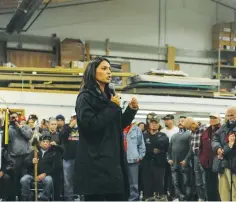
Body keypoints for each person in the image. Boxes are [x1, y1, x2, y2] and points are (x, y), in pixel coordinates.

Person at [74, 57, 139, 201]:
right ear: (93, 72)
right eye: (104, 68)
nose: (109, 72)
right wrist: (112, 106)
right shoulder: (85, 97)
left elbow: (117, 125)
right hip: (95, 163)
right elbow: (89, 125)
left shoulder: (110, 96)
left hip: (113, 161)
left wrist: (130, 111)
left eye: (109, 69)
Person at [20, 134, 62, 201]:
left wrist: (45, 174)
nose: (45, 143)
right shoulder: (35, 151)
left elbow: (55, 167)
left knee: (49, 180)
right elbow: (25, 162)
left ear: (50, 143)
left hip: (46, 175)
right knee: (23, 180)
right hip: (32, 174)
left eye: (47, 141)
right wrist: (31, 161)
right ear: (40, 143)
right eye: (43, 141)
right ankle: (28, 195)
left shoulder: (53, 153)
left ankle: (43, 197)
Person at [142, 115, 169, 201]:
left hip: (159, 163)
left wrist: (160, 151)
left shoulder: (163, 136)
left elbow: (167, 149)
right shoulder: (144, 135)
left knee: (159, 181)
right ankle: (147, 197)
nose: (153, 124)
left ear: (158, 125)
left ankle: (160, 197)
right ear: (149, 124)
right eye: (152, 123)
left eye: (155, 123)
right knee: (147, 182)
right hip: (146, 162)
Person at [212, 107, 236, 201]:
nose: (230, 117)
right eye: (228, 115)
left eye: (232, 115)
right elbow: (215, 139)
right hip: (224, 164)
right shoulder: (224, 127)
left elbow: (232, 145)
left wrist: (224, 150)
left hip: (235, 165)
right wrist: (217, 148)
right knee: (224, 191)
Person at [8, 112, 33, 200]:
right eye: (12, 118)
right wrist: (10, 124)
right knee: (15, 179)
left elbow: (29, 135)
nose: (15, 119)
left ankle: (25, 198)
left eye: (16, 117)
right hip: (14, 158)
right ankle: (15, 197)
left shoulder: (26, 127)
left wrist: (19, 127)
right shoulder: (9, 128)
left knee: (24, 178)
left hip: (26, 156)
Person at [168, 116, 192, 201]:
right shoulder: (174, 136)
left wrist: (186, 159)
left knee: (186, 183)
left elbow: (191, 149)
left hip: (184, 164)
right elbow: (169, 149)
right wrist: (169, 159)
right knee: (175, 183)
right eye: (179, 121)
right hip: (174, 164)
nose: (180, 122)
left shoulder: (189, 134)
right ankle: (180, 197)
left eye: (183, 121)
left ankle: (187, 198)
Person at [199, 112, 221, 201]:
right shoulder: (205, 132)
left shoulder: (222, 131)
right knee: (208, 186)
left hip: (218, 164)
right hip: (207, 164)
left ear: (219, 119)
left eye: (214, 118)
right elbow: (201, 147)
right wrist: (202, 159)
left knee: (218, 187)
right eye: (211, 117)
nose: (212, 119)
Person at [184, 117, 206, 202]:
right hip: (195, 157)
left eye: (189, 127)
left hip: (203, 156)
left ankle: (207, 198)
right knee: (198, 180)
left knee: (205, 180)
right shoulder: (192, 132)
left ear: (194, 124)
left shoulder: (204, 129)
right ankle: (201, 198)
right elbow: (192, 147)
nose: (189, 130)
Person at [124, 122, 145, 201]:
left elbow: (141, 144)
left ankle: (133, 200)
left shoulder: (136, 129)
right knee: (121, 183)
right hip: (120, 161)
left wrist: (140, 156)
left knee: (134, 184)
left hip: (133, 160)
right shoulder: (118, 128)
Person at [61, 113, 79, 201]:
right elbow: (62, 136)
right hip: (68, 157)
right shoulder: (66, 126)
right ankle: (69, 198)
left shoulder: (83, 126)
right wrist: (70, 127)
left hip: (80, 158)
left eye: (76, 117)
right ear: (71, 118)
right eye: (73, 117)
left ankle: (81, 198)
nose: (75, 119)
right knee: (68, 180)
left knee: (80, 179)